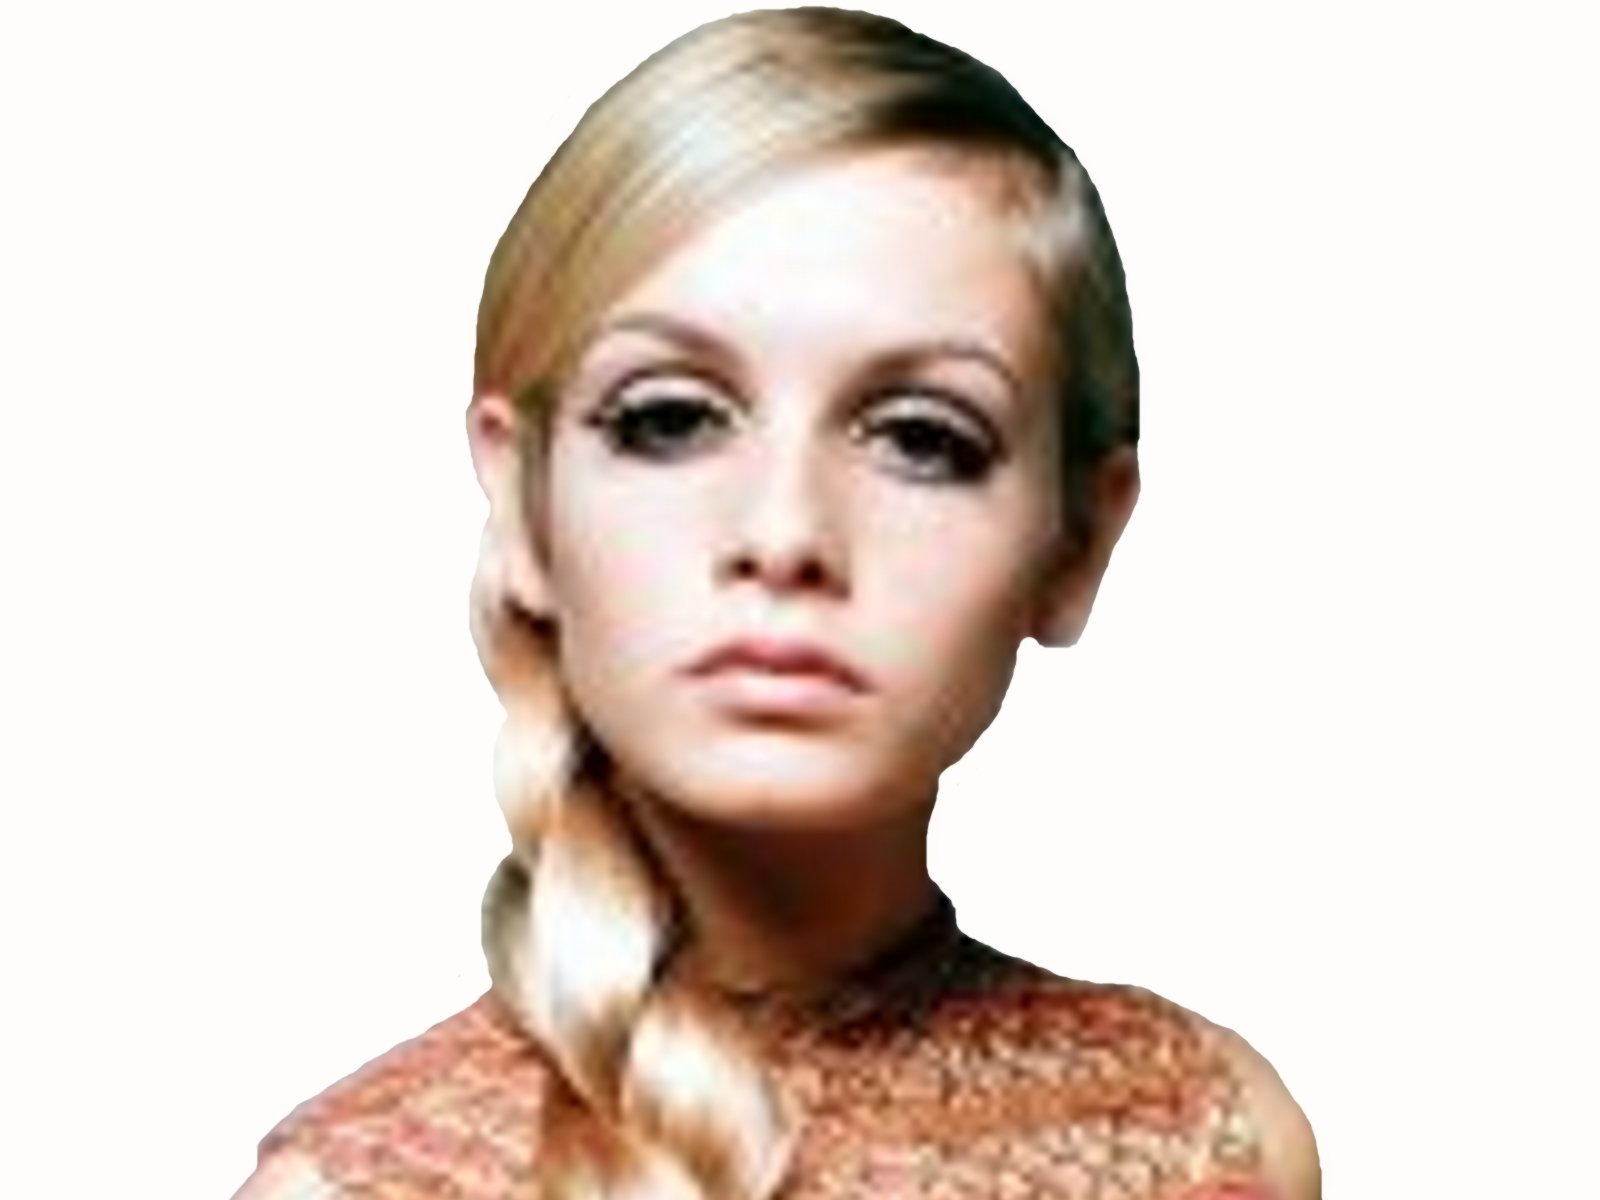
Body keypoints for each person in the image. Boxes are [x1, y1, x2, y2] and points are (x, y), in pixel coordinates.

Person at [237, 8, 1318, 1199]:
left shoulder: (1216, 1136)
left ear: (1077, 544)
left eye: (921, 439)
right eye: (669, 420)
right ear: (523, 503)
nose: (784, 535)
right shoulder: (350, 1184)